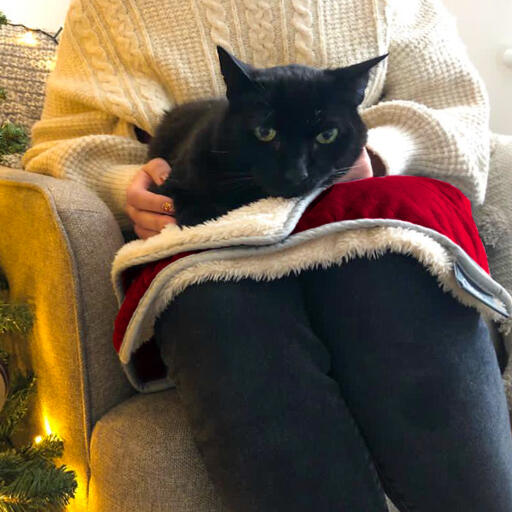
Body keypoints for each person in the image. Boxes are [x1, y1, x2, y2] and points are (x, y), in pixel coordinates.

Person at [22, 0, 512, 510]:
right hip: (204, 213)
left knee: (391, 274)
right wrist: (133, 185)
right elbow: (61, 146)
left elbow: (458, 113)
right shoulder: (106, 11)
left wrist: (380, 154)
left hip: (364, 197)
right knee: (217, 307)